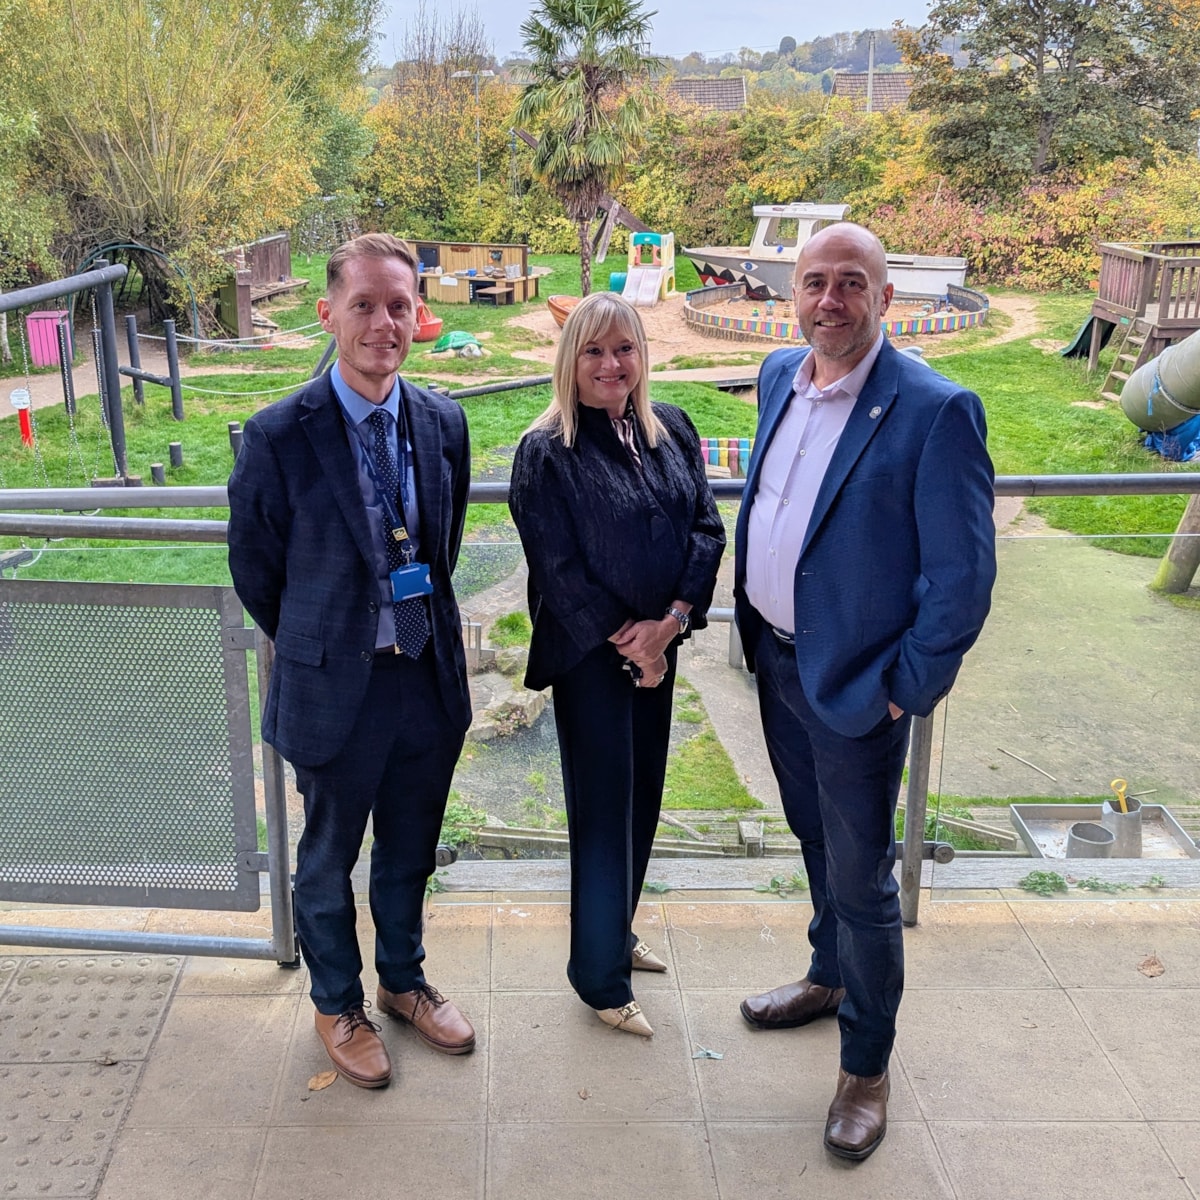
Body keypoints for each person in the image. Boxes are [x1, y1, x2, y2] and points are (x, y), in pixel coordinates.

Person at [733, 223, 996, 1159]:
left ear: (886, 297)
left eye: (852, 283)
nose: (830, 301)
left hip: (857, 689)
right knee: (815, 839)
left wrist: (904, 691)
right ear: (792, 295)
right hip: (777, 661)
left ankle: (866, 1066)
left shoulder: (934, 409)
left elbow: (961, 580)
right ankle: (827, 974)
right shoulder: (777, 376)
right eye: (814, 283)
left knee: (863, 877)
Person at [227, 233, 475, 1089]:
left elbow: (439, 549)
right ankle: (338, 1002)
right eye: (364, 304)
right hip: (337, 688)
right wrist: (323, 642)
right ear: (328, 313)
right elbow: (257, 571)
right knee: (328, 859)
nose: (382, 323)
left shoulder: (443, 422)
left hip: (424, 678)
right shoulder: (278, 436)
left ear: (419, 316)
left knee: (411, 849)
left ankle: (402, 981)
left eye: (398, 305)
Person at [509, 291, 725, 1038]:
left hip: (657, 649)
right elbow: (559, 570)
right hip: (593, 660)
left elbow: (706, 529)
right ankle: (597, 979)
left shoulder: (672, 430)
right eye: (595, 351)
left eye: (624, 349)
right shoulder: (547, 453)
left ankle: (617, 935)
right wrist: (631, 642)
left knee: (642, 802)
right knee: (602, 816)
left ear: (643, 355)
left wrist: (670, 625)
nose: (612, 365)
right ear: (571, 360)